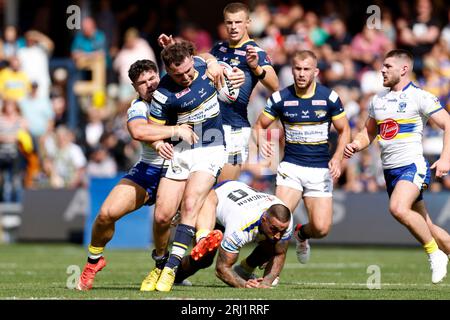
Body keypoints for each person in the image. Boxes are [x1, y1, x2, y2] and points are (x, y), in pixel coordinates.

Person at [76, 59, 198, 290]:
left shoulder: (180, 94)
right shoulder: (138, 106)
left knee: (164, 220)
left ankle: (163, 265)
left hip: (181, 169)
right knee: (105, 214)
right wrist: (172, 132)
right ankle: (94, 261)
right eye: (142, 83)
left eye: (152, 78)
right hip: (148, 169)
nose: (149, 85)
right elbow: (138, 130)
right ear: (135, 88)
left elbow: (197, 64)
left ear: (160, 76)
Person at [344, 49, 450, 284]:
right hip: (391, 172)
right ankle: (442, 249)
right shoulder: (377, 100)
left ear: (403, 69)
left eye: (388, 66)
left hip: (412, 165)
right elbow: (368, 132)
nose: (382, 70)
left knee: (398, 208)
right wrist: (355, 144)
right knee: (428, 226)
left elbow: (448, 122)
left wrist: (445, 159)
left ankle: (435, 254)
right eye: (382, 66)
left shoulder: (420, 96)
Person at [252, 50, 350, 265]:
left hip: (320, 169)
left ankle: (302, 234)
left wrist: (337, 158)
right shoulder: (280, 98)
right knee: (276, 224)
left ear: (315, 71)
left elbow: (345, 131)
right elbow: (259, 126)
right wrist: (263, 144)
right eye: (298, 69)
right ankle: (264, 269)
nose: (302, 74)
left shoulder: (329, 97)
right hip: (291, 168)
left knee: (321, 228)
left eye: (306, 69)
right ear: (292, 70)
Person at [144, 40, 227, 292]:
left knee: (191, 204)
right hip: (180, 152)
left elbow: (204, 56)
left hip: (211, 148)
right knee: (162, 216)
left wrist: (213, 62)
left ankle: (171, 269)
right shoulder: (162, 94)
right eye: (178, 74)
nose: (187, 76)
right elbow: (153, 130)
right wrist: (158, 143)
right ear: (168, 71)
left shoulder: (203, 64)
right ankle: (159, 262)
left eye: (189, 70)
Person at [175, 180, 293, 288]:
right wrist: (245, 285)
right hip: (214, 202)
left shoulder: (285, 220)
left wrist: (266, 282)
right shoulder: (241, 225)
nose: (278, 234)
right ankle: (172, 275)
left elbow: (280, 253)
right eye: (274, 229)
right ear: (264, 220)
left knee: (273, 242)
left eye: (282, 231)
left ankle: (243, 271)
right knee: (204, 258)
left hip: (233, 194)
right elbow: (221, 269)